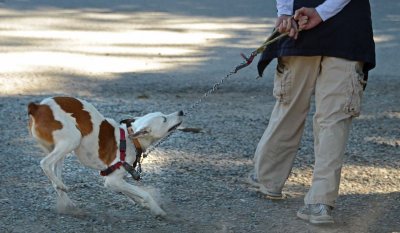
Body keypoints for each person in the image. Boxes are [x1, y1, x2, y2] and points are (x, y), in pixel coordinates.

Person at [248, 0, 376, 224]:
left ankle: (268, 179)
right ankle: (319, 203)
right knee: (333, 121)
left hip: (306, 26)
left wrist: (294, 12)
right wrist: (290, 13)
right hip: (343, 31)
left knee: (290, 108)